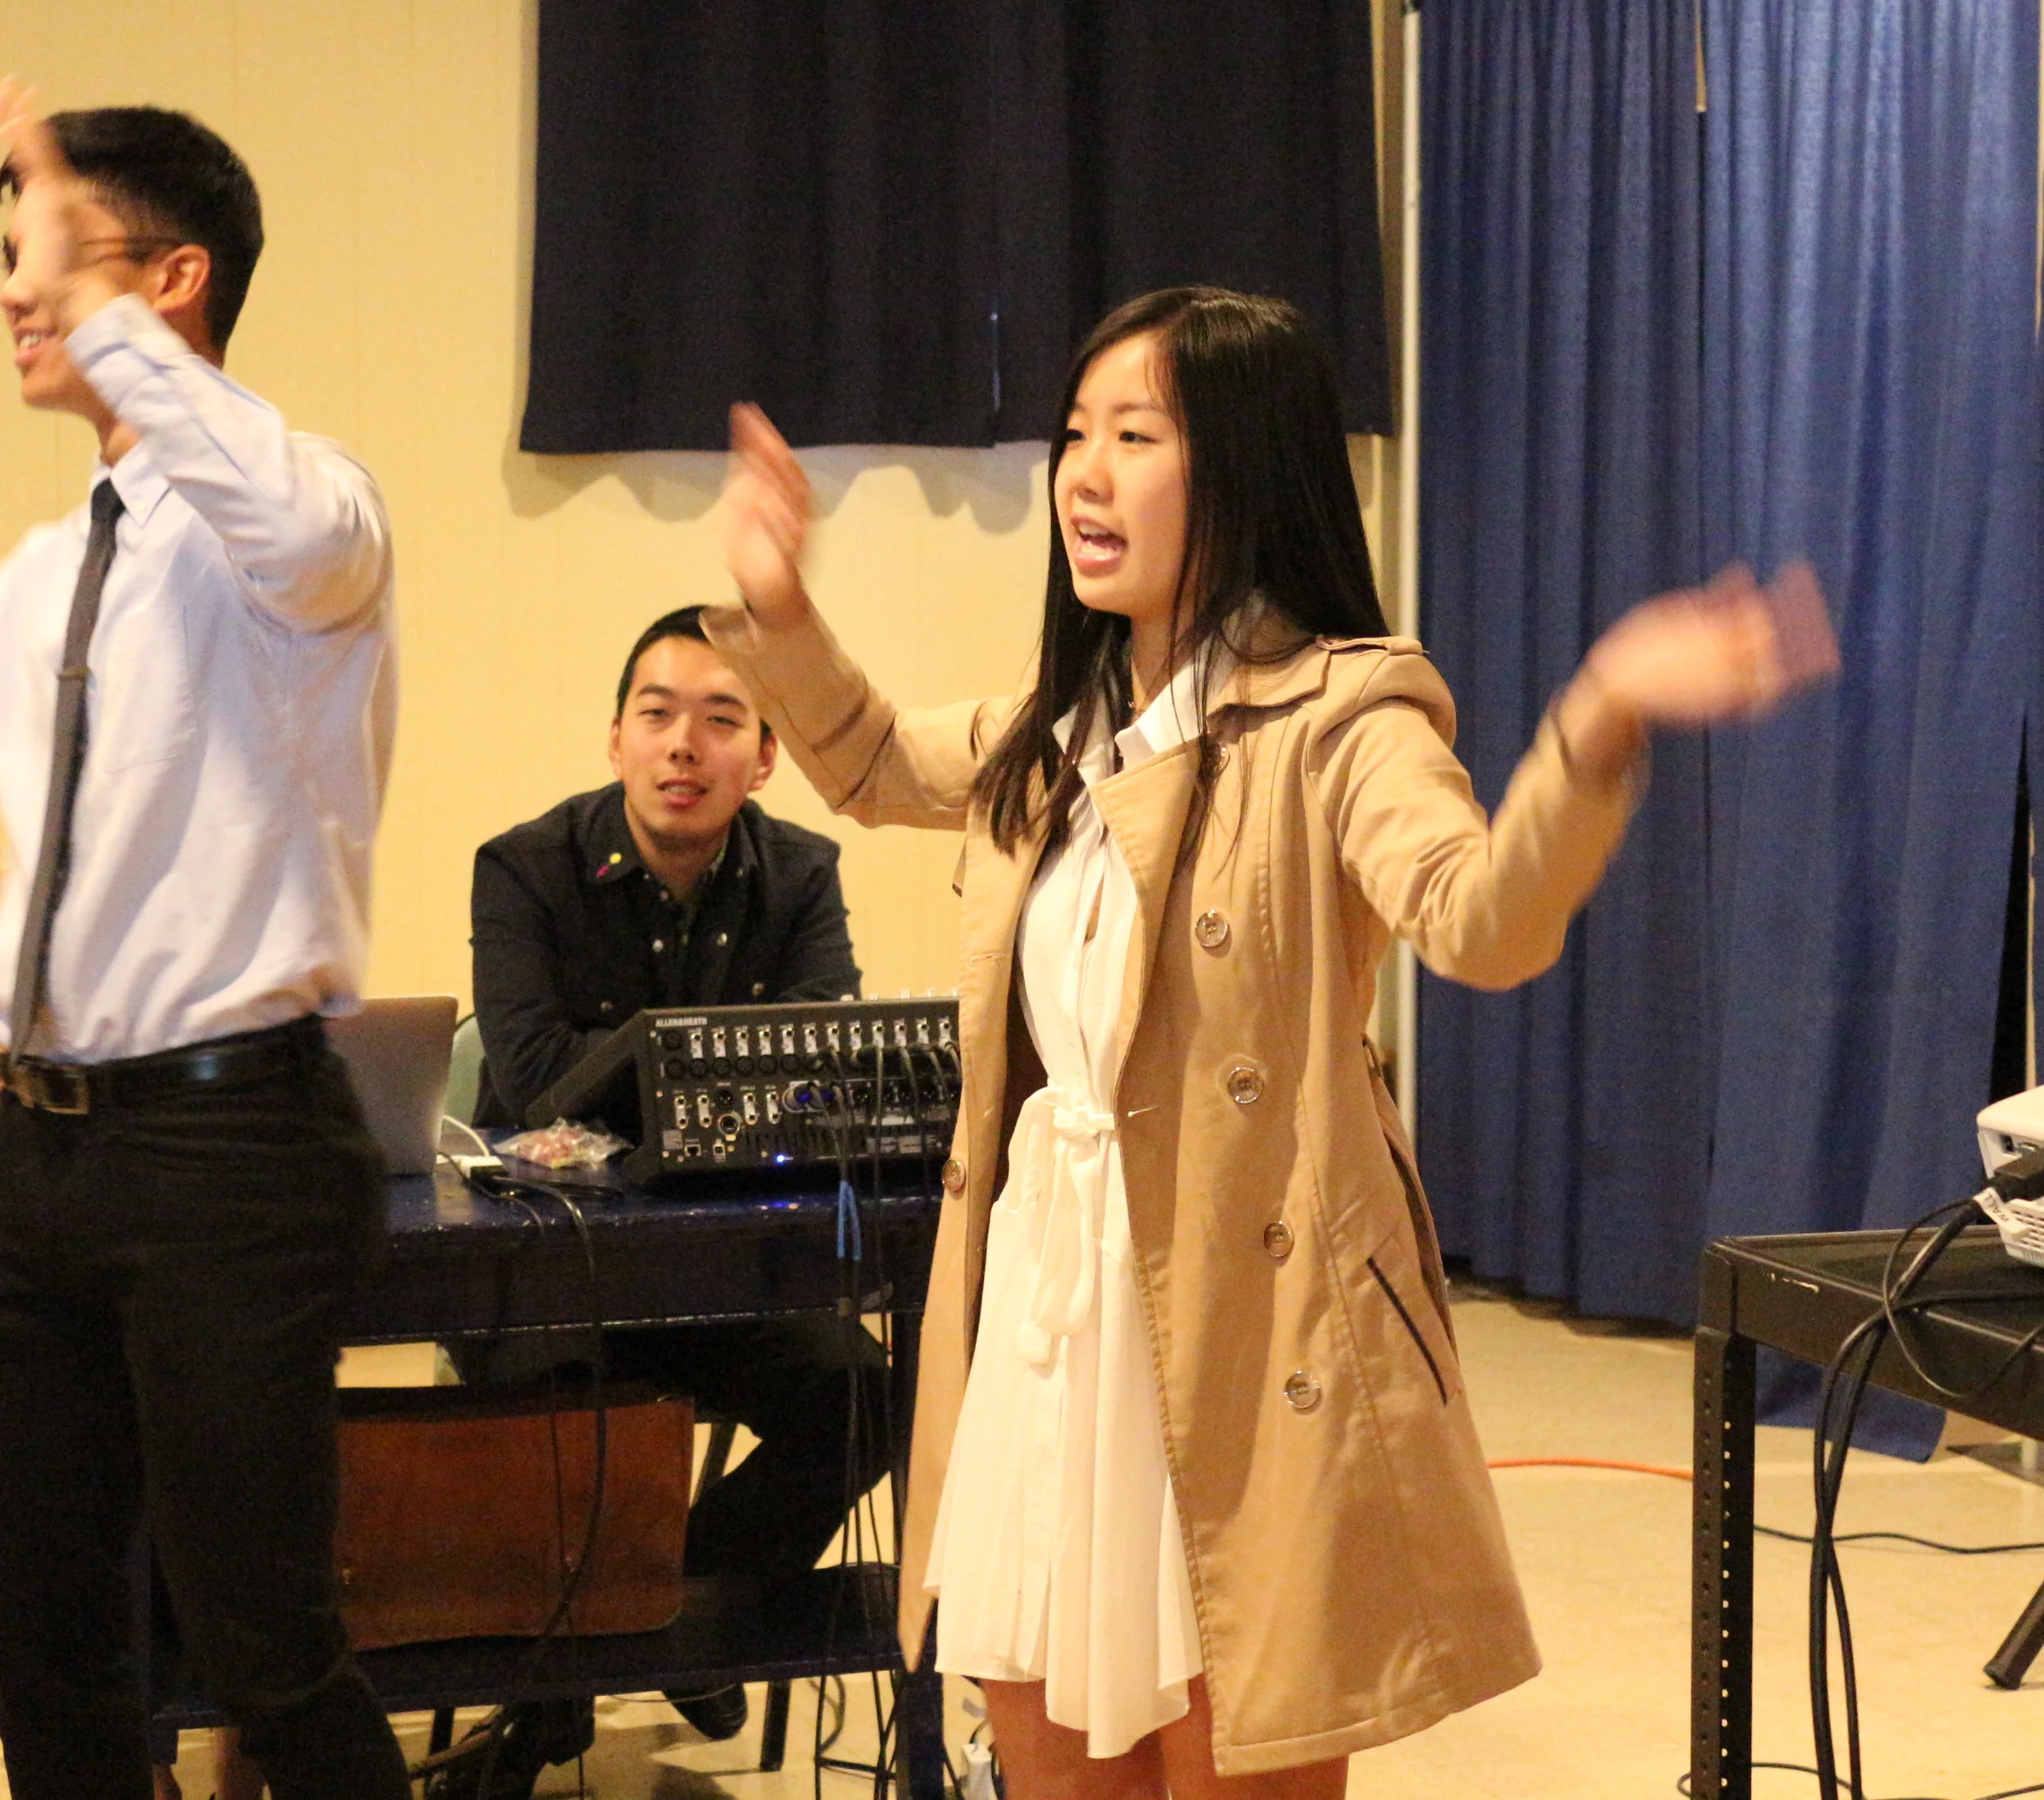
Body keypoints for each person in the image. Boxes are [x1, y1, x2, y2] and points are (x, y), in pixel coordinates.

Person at [713, 286, 1838, 1799]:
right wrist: (778, 605)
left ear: (1243, 464)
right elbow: (862, 760)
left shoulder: (1342, 712)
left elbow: (1481, 920)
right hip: (1047, 1301)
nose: (1083, 474)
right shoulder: (1057, 724)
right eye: (1074, 433)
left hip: (1239, 1322)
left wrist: (1594, 723)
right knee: (1046, 1758)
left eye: (1135, 436)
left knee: (1234, 1746)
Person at [0, 89, 409, 1800]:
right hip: (39, 1143)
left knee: (262, 1648)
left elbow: (290, 527)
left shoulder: (309, 520)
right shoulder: (39, 572)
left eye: (49, 250)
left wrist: (107, 320)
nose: (18, 289)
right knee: (43, 1642)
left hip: (227, 1146)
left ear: (173, 280)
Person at [442, 607, 886, 1796]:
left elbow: (816, 1058)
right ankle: (549, 1704)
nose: (684, 744)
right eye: (657, 714)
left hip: (720, 1276)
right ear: (616, 738)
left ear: (765, 756)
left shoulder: (802, 873)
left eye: (721, 719)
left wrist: (647, 1073)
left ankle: (680, 1606)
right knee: (564, 1421)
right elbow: (532, 1082)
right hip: (544, 1276)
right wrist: (716, 1071)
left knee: (867, 1393)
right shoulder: (523, 868)